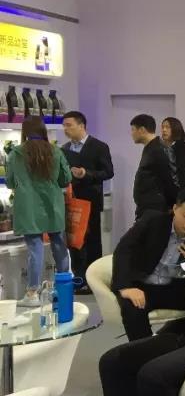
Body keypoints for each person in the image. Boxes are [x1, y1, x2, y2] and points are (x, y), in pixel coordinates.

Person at [112, 187, 185, 341]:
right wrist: (125, 287)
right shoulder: (153, 220)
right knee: (132, 309)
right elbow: (124, 249)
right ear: (175, 209)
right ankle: (144, 350)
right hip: (143, 284)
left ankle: (176, 340)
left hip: (175, 286)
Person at [9, 117, 72, 306]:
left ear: (25, 131)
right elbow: (65, 179)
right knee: (59, 246)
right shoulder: (56, 151)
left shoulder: (16, 153)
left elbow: (10, 182)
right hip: (53, 205)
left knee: (35, 249)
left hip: (28, 208)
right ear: (44, 130)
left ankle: (32, 294)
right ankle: (63, 290)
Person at [60, 111, 114, 290]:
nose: (65, 129)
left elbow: (108, 172)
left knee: (92, 241)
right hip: (71, 201)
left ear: (81, 125)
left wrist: (86, 174)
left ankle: (93, 280)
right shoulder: (64, 149)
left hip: (91, 201)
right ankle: (78, 278)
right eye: (64, 125)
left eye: (69, 125)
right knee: (74, 241)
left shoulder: (99, 146)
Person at [130, 114, 179, 219]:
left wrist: (171, 205)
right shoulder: (151, 148)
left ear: (142, 130)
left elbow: (169, 180)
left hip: (156, 210)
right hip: (148, 209)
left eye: (133, 129)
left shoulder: (158, 149)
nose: (131, 133)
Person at [161, 117, 185, 190]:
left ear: (175, 128)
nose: (164, 130)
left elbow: (181, 167)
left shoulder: (184, 146)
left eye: (167, 127)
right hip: (161, 190)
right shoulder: (158, 147)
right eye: (162, 127)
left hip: (179, 189)